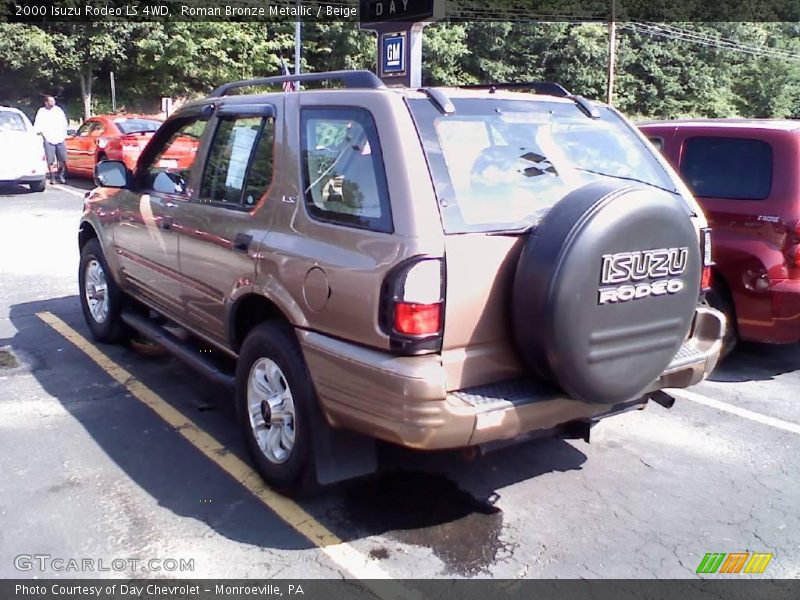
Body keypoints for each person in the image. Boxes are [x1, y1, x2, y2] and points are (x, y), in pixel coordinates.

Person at [34, 95, 69, 184]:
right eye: (50, 101)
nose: (53, 103)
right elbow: (38, 125)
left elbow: (64, 123)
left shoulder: (58, 110)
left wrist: (64, 133)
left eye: (53, 101)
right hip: (48, 138)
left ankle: (60, 174)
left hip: (60, 138)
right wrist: (40, 134)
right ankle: (52, 177)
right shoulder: (42, 112)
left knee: (62, 158)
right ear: (46, 102)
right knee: (50, 160)